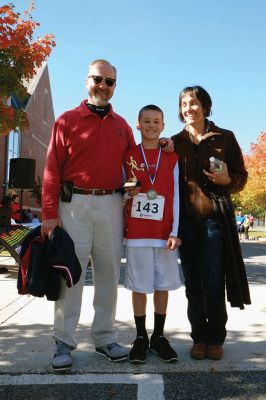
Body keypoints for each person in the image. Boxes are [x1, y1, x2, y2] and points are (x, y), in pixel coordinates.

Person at [41, 59, 173, 371]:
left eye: (109, 82)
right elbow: (51, 169)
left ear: (115, 86)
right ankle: (64, 340)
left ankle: (104, 337)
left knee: (108, 274)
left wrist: (167, 143)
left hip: (112, 205)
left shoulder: (122, 125)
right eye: (98, 80)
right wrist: (49, 212)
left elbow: (139, 157)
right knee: (70, 274)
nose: (103, 86)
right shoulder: (67, 120)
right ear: (87, 80)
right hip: (73, 206)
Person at [172, 85, 251, 361]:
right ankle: (199, 338)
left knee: (214, 281)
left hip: (215, 223)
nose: (188, 108)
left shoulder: (225, 138)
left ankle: (216, 338)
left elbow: (242, 175)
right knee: (193, 283)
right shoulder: (174, 142)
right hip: (186, 225)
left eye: (193, 103)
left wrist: (228, 180)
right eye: (183, 104)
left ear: (205, 106)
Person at [123, 105, 181, 363]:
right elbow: (121, 189)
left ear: (163, 125)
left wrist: (175, 231)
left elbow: (177, 196)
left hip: (164, 232)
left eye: (156, 121)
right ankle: (140, 337)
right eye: (146, 121)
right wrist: (128, 193)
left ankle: (158, 336)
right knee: (139, 285)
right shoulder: (129, 155)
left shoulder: (172, 156)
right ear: (138, 124)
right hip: (137, 232)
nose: (151, 125)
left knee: (162, 284)